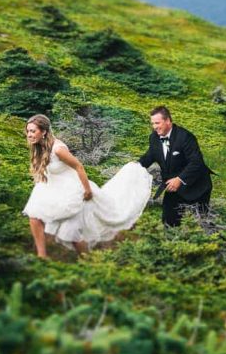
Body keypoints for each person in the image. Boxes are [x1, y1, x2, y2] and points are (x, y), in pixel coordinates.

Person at [22, 114, 150, 258]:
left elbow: (79, 167)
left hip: (73, 191)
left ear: (44, 132)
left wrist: (87, 190)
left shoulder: (58, 149)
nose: (30, 134)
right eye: (28, 131)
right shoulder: (38, 146)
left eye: (33, 131)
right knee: (34, 217)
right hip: (53, 188)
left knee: (70, 234)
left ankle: (88, 262)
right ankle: (42, 256)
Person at [138, 106, 213, 227]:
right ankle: (171, 242)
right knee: (169, 222)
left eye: (157, 123)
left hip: (197, 186)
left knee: (201, 224)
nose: (155, 127)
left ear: (168, 121)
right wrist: (134, 166)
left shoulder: (185, 137)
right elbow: (149, 156)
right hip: (172, 187)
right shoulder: (154, 137)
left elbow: (196, 162)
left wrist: (180, 179)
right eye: (152, 123)